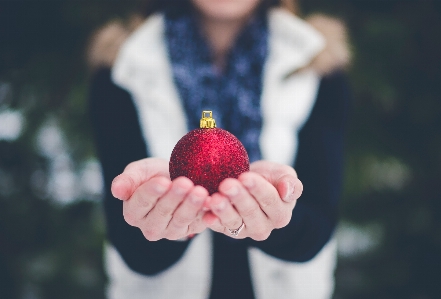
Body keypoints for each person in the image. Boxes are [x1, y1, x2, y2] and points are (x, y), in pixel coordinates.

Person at [87, 0, 351, 298]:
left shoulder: (317, 60)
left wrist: (276, 218)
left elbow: (319, 219)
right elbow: (131, 245)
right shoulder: (123, 64)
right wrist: (166, 222)